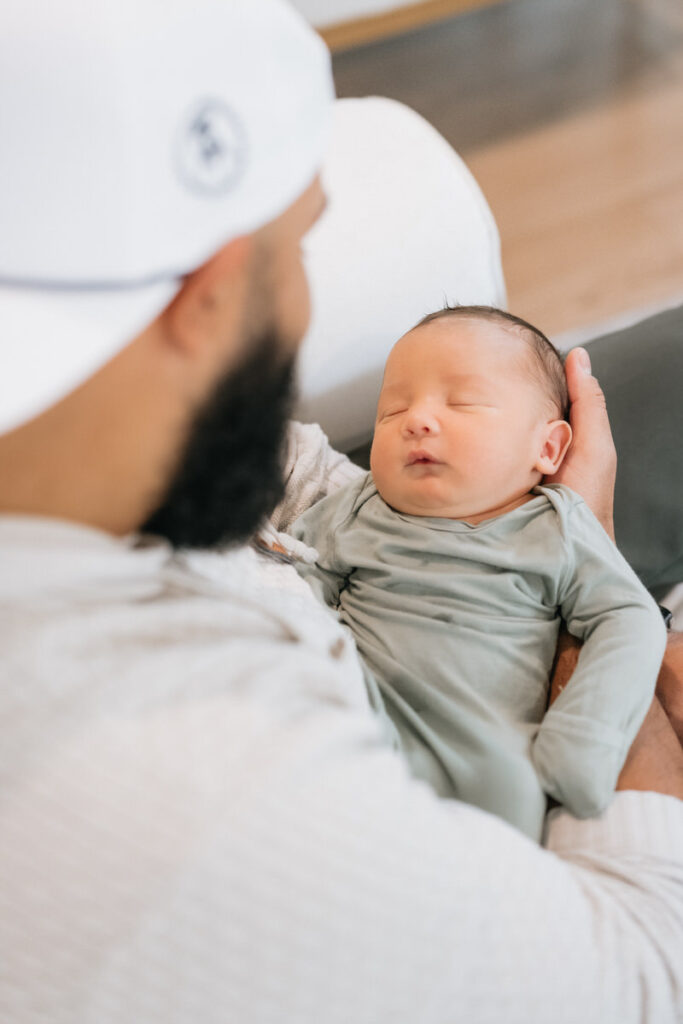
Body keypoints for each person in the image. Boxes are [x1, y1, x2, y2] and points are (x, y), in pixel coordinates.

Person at [0, 2, 682, 1022]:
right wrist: (573, 585)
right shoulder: (197, 797)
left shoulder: (82, 445)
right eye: (301, 246)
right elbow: (636, 973)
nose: (306, 307)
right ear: (212, 289)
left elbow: (286, 466)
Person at [288, 306, 667, 840]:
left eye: (461, 401)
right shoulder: (357, 506)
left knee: (510, 796)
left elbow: (628, 616)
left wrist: (586, 731)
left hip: (484, 746)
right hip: (356, 702)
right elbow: (294, 581)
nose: (417, 419)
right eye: (392, 410)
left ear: (548, 447)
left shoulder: (558, 527)